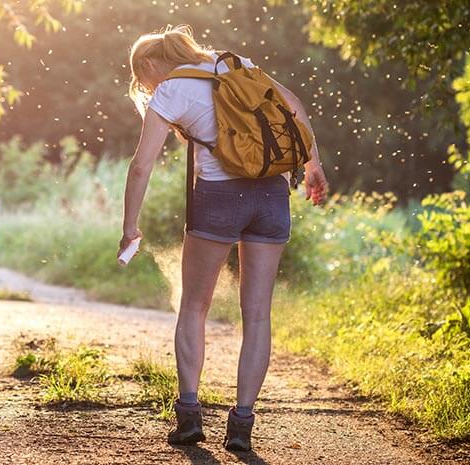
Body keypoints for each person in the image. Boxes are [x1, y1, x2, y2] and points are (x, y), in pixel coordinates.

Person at [117, 25, 328, 452]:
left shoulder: (171, 90)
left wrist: (129, 226)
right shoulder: (235, 65)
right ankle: (242, 425)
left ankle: (190, 417)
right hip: (271, 194)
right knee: (258, 315)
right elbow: (294, 105)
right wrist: (313, 167)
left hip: (217, 198)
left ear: (148, 66)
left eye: (143, 80)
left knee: (194, 306)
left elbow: (141, 167)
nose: (146, 87)